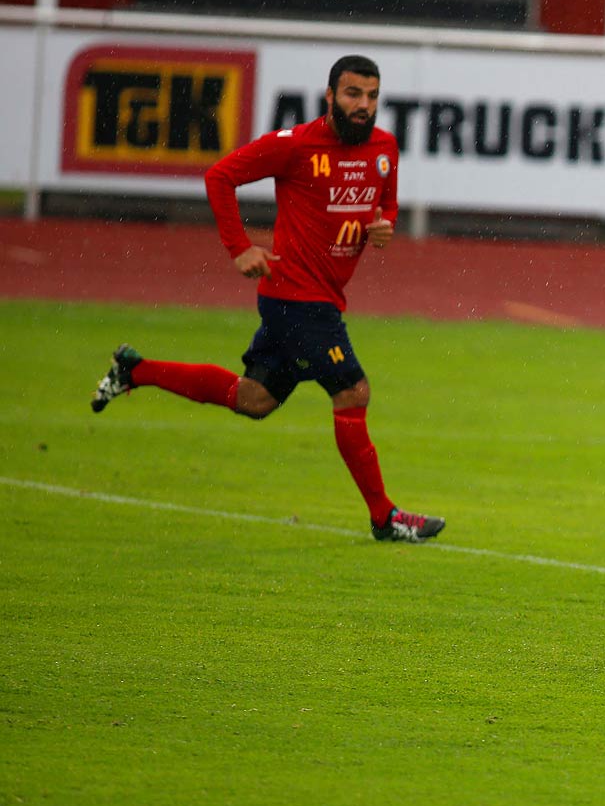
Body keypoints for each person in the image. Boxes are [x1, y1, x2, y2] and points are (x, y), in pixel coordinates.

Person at [90, 55, 444, 544]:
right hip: (296, 299)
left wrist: (383, 224)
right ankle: (384, 517)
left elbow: (387, 201)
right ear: (330, 97)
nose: (363, 106)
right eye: (352, 94)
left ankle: (135, 369)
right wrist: (239, 248)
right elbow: (220, 176)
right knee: (353, 391)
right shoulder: (296, 146)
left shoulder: (384, 148)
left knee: (252, 399)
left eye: (371, 96)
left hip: (318, 299)